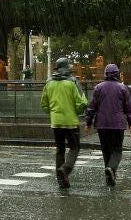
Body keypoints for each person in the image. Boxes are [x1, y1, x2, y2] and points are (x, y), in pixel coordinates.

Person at [85, 64, 131, 187]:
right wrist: (130, 123)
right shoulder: (122, 88)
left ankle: (109, 175)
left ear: (105, 74)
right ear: (117, 74)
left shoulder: (98, 87)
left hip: (102, 124)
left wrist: (88, 122)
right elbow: (128, 107)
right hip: (118, 124)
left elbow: (92, 107)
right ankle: (111, 169)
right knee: (117, 150)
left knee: (106, 150)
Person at [41, 56, 87, 189]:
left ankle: (61, 180)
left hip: (56, 122)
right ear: (67, 68)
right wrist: (78, 111)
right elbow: (81, 102)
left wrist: (53, 113)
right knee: (74, 147)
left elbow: (44, 104)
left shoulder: (49, 82)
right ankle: (65, 170)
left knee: (60, 149)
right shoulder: (72, 82)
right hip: (71, 121)